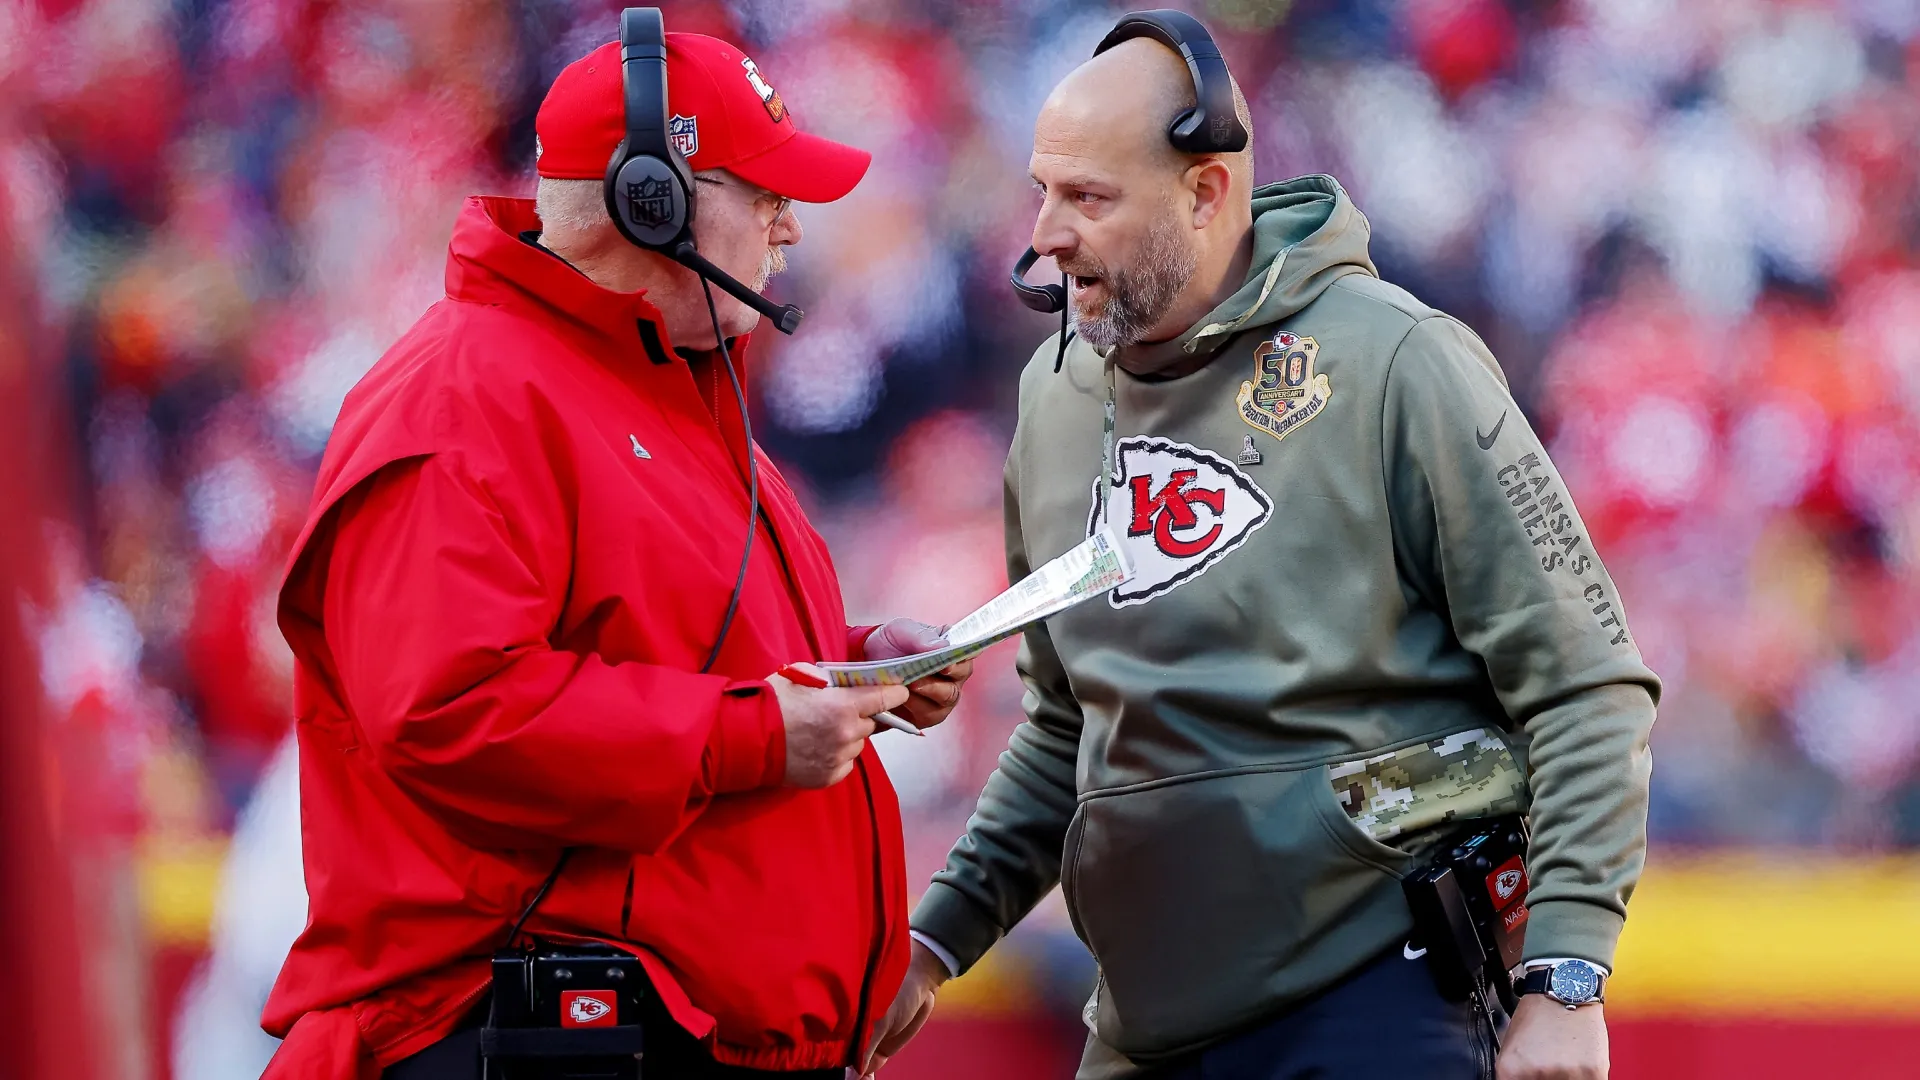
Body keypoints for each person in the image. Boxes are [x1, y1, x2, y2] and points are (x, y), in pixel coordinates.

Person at [865, 21, 1656, 1080]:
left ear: (1206, 192)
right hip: (1144, 1014)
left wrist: (1565, 976)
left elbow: (1585, 684)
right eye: (1043, 190)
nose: (1046, 232)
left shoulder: (1398, 359)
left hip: (1377, 993)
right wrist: (934, 941)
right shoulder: (1054, 396)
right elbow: (1070, 727)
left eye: (1088, 197)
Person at [260, 25, 972, 1080]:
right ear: (654, 201)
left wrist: (854, 662)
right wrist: (758, 734)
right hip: (537, 1038)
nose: (790, 225)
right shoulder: (460, 399)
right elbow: (452, 709)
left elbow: (661, 644)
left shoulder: (653, 383)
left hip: (664, 1042)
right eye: (764, 193)